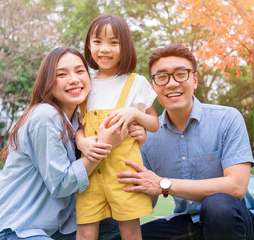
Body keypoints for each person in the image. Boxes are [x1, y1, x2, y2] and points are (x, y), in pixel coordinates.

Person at [117, 44, 254, 240]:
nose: (171, 83)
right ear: (153, 88)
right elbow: (147, 200)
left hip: (233, 221)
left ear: (194, 79)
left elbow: (236, 186)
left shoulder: (227, 118)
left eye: (180, 74)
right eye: (162, 77)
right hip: (186, 223)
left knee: (217, 206)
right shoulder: (148, 136)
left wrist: (163, 184)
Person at [0, 47, 126, 240]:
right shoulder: (45, 117)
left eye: (80, 71)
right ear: (48, 82)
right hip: (14, 229)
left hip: (53, 229)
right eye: (61, 74)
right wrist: (104, 146)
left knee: (113, 227)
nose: (74, 79)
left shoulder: (80, 119)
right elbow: (62, 185)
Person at [74, 14, 159, 240]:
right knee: (85, 230)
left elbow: (154, 123)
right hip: (90, 173)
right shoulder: (85, 84)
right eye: (97, 41)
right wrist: (81, 142)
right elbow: (79, 125)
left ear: (126, 46)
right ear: (89, 45)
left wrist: (134, 114)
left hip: (125, 172)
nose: (105, 49)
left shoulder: (136, 82)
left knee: (130, 230)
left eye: (114, 42)